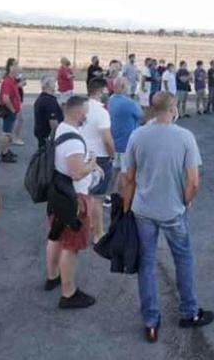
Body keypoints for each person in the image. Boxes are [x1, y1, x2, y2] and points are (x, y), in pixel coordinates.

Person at [122, 92, 214, 342]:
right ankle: (189, 312)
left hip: (143, 211)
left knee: (147, 264)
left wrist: (125, 207)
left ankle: (151, 321)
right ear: (173, 108)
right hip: (173, 210)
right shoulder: (185, 137)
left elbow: (128, 177)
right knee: (183, 259)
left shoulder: (137, 135)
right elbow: (193, 181)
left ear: (152, 109)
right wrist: (185, 200)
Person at [48, 95, 100, 309]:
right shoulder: (73, 139)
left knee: (56, 237)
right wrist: (93, 164)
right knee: (71, 245)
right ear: (78, 113)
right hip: (74, 199)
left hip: (58, 195)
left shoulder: (60, 129)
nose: (87, 116)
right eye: (85, 112)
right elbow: (77, 172)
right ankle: (68, 293)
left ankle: (53, 277)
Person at [80, 78, 115, 242]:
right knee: (97, 198)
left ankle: (85, 227)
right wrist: (112, 154)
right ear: (100, 91)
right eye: (106, 90)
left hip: (82, 154)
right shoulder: (101, 112)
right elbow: (107, 139)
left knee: (84, 194)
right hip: (99, 157)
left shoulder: (81, 108)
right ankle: (98, 233)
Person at [107, 76, 141, 207]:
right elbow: (141, 116)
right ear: (122, 87)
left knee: (115, 170)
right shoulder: (128, 103)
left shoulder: (111, 99)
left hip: (115, 140)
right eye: (127, 85)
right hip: (126, 142)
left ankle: (109, 194)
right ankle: (122, 197)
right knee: (125, 172)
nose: (129, 87)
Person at [0, 62, 23, 163]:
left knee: (8, 132)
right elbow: (5, 98)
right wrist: (12, 109)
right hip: (9, 111)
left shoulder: (12, 80)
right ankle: (4, 153)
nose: (19, 68)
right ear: (11, 68)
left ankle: (6, 150)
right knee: (6, 133)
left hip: (12, 110)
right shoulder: (8, 81)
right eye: (17, 66)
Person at [33, 76, 64, 149]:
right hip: (47, 135)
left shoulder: (41, 98)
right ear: (48, 85)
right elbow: (53, 122)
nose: (56, 85)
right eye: (54, 83)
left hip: (42, 134)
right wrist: (56, 137)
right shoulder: (49, 101)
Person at [7, 58, 27, 146]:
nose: (18, 66)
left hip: (18, 98)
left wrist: (22, 81)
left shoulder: (16, 75)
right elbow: (13, 86)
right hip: (13, 101)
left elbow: (20, 82)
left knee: (17, 120)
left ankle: (13, 137)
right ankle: (13, 138)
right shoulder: (9, 76)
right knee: (19, 119)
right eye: (15, 64)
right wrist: (20, 84)